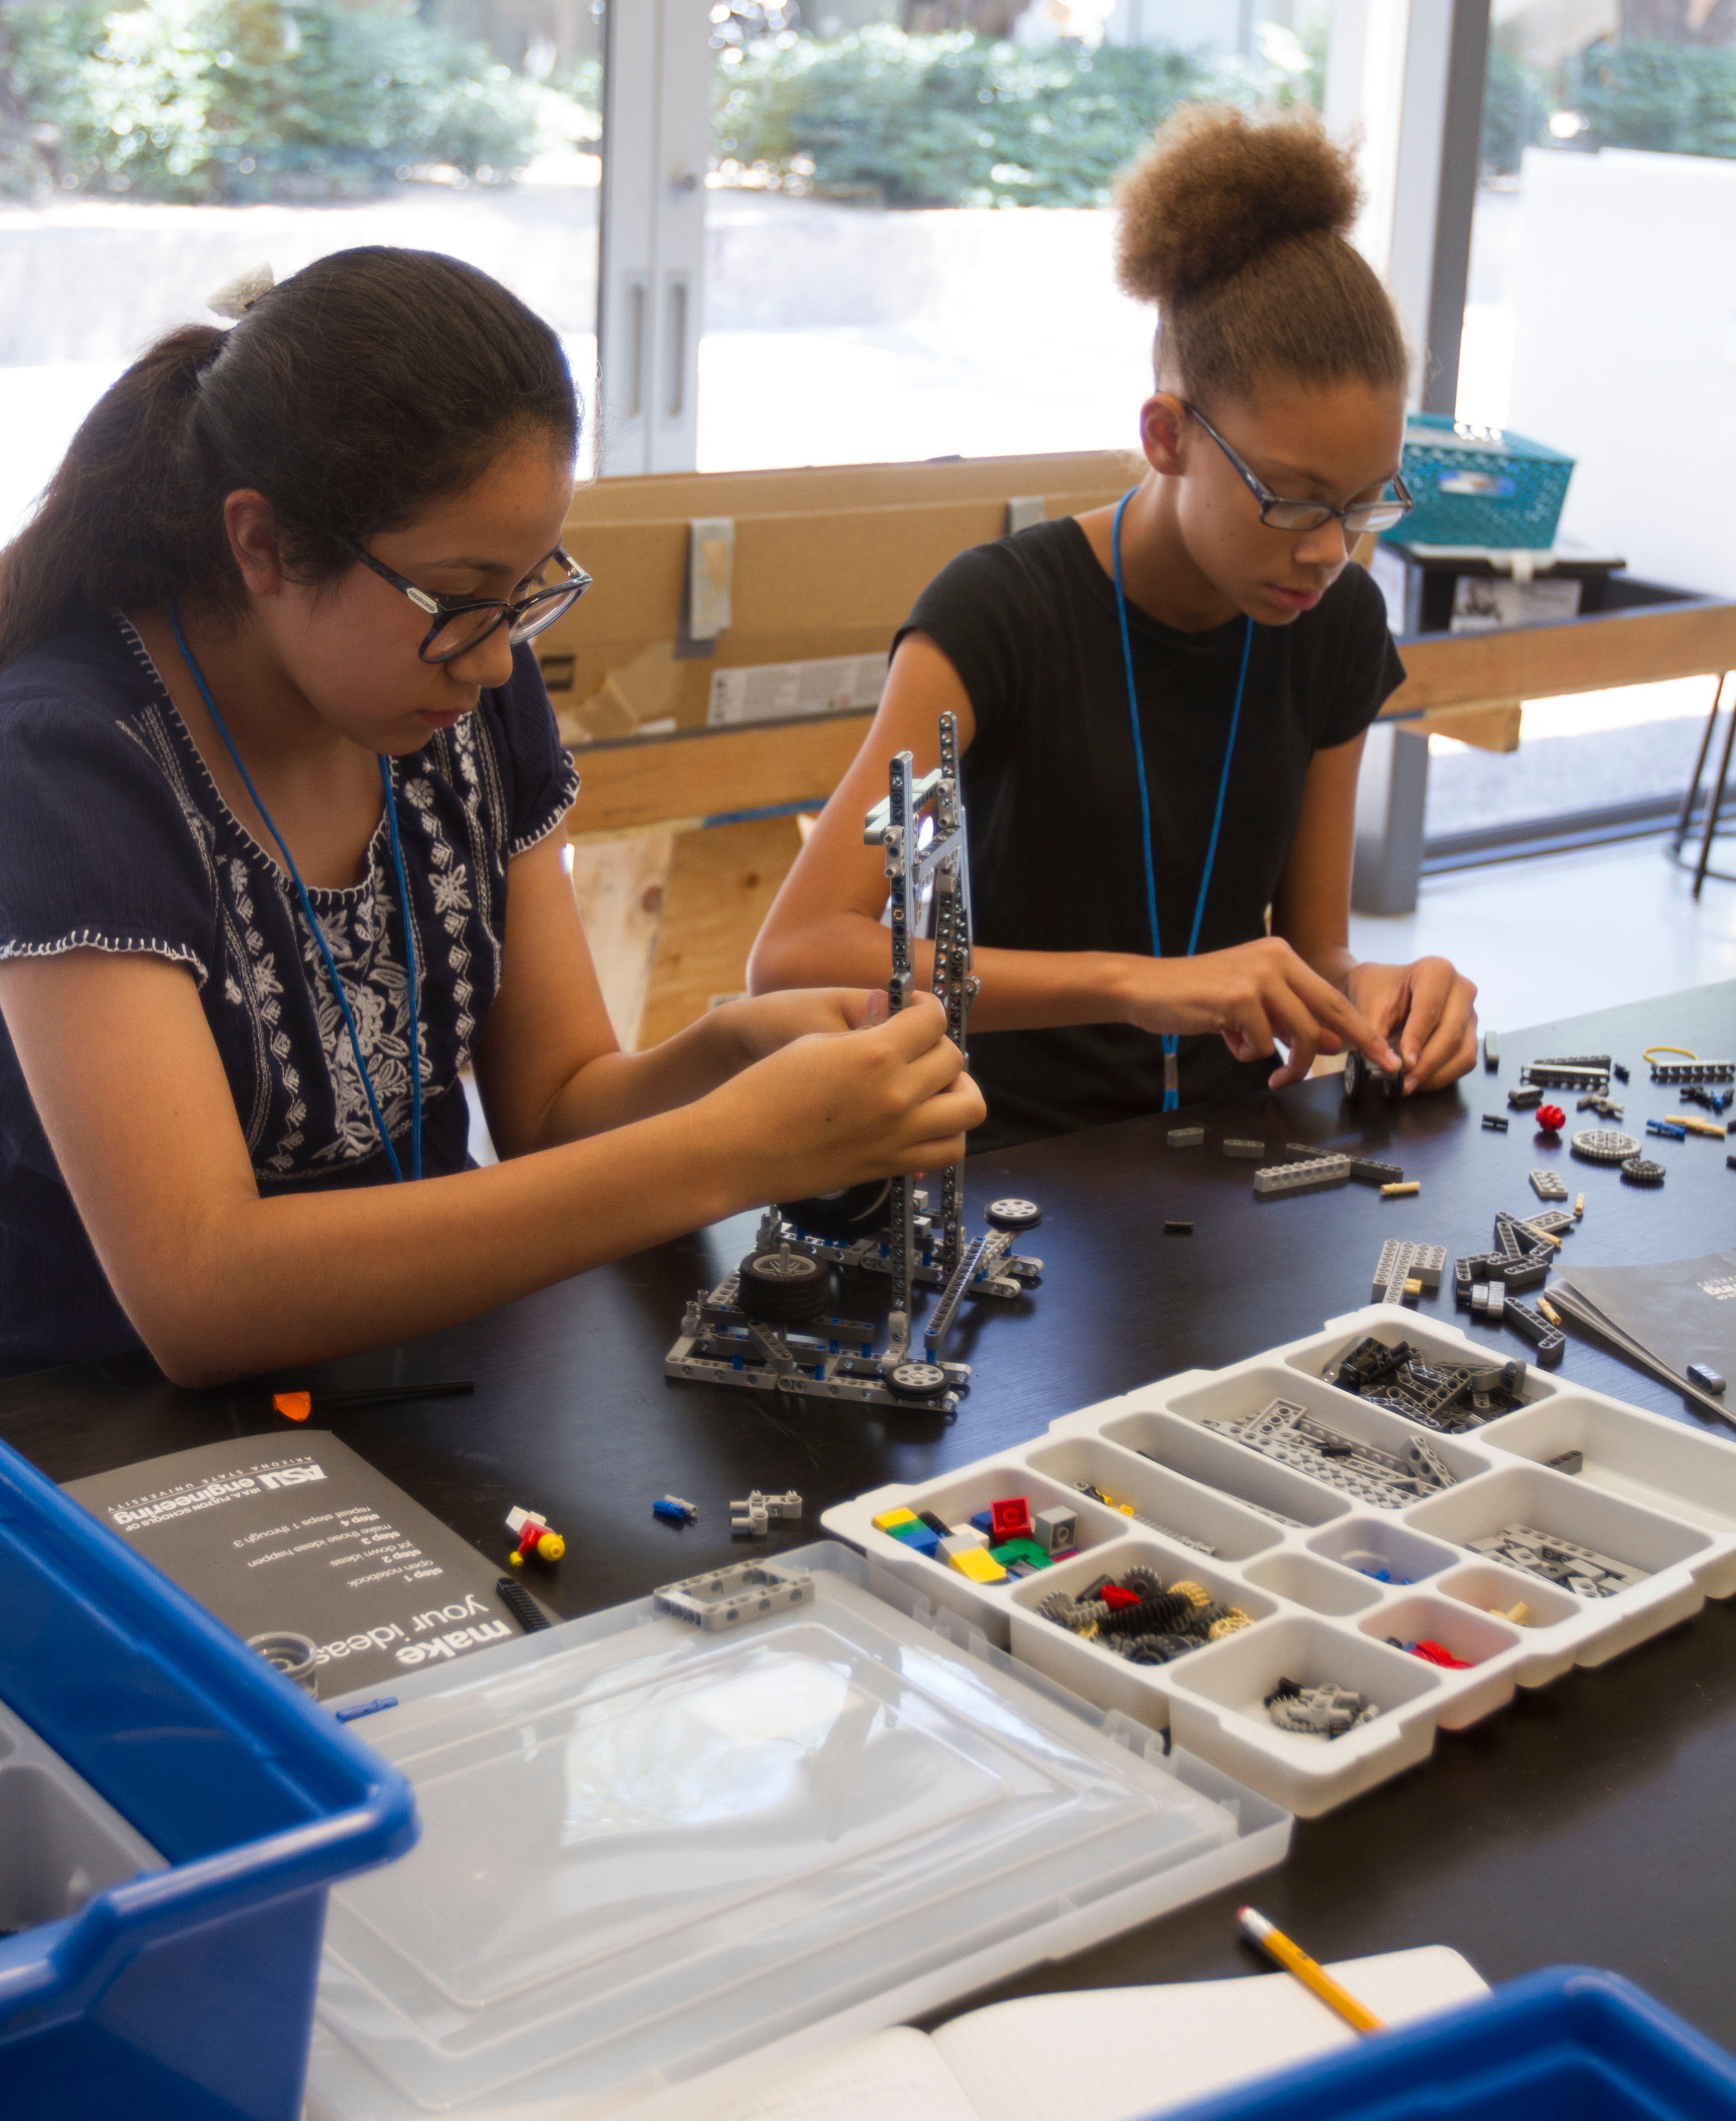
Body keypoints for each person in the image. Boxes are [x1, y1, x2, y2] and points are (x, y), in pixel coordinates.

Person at [0, 248, 980, 1382]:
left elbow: (557, 1108)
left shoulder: (456, 695)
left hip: (419, 1375)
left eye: (527, 591)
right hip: (104, 1437)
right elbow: (203, 1293)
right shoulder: (67, 764)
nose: (500, 655)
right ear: (263, 544)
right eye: (462, 597)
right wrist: (734, 1149)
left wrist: (730, 1057)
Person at [750, 108, 1478, 1154]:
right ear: (1168, 435)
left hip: (1224, 1160)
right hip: (995, 1157)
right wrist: (1137, 986)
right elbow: (801, 954)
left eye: (1366, 506)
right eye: (1295, 499)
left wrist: (1387, 994)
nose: (1329, 551)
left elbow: (1317, 956)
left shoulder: (1333, 623)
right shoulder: (999, 616)